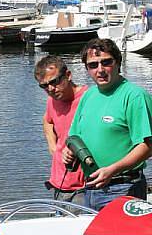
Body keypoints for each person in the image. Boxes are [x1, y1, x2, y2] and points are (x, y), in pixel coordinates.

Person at [63, 38, 152, 211]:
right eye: (93, 65)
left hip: (123, 187)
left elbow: (147, 146)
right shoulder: (89, 96)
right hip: (90, 189)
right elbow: (74, 136)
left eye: (106, 62)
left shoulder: (134, 96)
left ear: (118, 62)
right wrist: (69, 152)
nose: (100, 70)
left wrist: (113, 169)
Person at [34, 55, 87, 203]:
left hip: (85, 187)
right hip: (59, 183)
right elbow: (47, 121)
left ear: (68, 75)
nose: (50, 89)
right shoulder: (52, 100)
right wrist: (53, 147)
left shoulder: (89, 98)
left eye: (54, 82)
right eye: (44, 86)